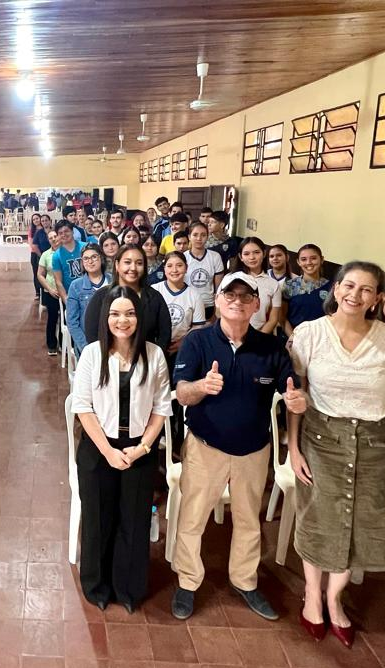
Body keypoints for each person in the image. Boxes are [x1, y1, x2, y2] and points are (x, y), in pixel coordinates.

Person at [170, 274, 307, 621]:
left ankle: (245, 581)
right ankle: (188, 581)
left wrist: (295, 399)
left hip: (253, 450)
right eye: (230, 295)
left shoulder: (271, 347)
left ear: (257, 306)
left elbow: (290, 389)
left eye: (247, 297)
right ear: (217, 301)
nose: (238, 301)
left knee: (249, 519)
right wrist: (203, 385)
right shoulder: (197, 342)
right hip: (205, 447)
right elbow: (182, 393)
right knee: (192, 518)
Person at [288, 261, 385, 649]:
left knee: (363, 517)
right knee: (319, 512)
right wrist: (293, 447)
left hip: (375, 441)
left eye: (367, 289)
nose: (355, 295)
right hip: (323, 437)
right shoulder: (310, 334)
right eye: (349, 286)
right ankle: (312, 594)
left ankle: (334, 596)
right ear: (336, 288)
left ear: (377, 298)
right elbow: (297, 396)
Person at [71, 286, 171, 613]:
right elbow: (83, 408)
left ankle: (128, 588)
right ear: (105, 317)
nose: (122, 320)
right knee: (99, 519)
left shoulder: (154, 355)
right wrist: (108, 452)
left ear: (139, 317)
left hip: (139, 451)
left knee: (134, 519)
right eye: (115, 313)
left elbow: (161, 408)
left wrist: (142, 448)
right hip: (99, 449)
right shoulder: (92, 355)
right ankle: (97, 586)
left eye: (129, 313)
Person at [83, 245, 172, 352]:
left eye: (139, 263)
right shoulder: (102, 296)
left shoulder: (154, 297)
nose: (133, 268)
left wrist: (153, 358)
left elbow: (165, 333)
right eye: (127, 262)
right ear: (117, 265)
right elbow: (92, 334)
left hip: (147, 359)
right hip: (108, 360)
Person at [152, 252, 201, 354]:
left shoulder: (195, 295)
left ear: (186, 268)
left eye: (179, 265)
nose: (174, 270)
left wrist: (182, 342)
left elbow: (197, 326)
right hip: (154, 346)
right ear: (164, 269)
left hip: (183, 346)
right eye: (169, 266)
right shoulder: (154, 290)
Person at [233, 237, 283, 335]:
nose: (252, 257)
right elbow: (220, 310)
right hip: (231, 335)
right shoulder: (231, 279)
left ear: (264, 254)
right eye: (246, 254)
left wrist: (258, 339)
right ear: (240, 257)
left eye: (256, 252)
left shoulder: (273, 284)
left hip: (259, 336)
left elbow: (273, 319)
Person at [66, 243, 109, 355]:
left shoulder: (114, 281)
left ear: (101, 258)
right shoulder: (76, 286)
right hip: (87, 344)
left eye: (94, 257)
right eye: (86, 258)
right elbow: (72, 322)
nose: (90, 261)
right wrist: (86, 348)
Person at [282, 244, 332, 337]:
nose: (309, 262)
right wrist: (293, 338)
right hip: (295, 338)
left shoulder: (331, 287)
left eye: (313, 258)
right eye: (304, 259)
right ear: (298, 262)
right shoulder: (290, 285)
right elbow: (282, 317)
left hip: (322, 339)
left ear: (322, 259)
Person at [184, 221, 225, 321]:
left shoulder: (215, 257)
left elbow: (218, 288)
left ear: (207, 236)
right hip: (187, 304)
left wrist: (217, 309)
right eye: (195, 235)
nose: (199, 238)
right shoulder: (183, 257)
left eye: (203, 235)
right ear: (189, 236)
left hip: (208, 305)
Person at [37, 229, 64, 357]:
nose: (54, 239)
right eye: (51, 238)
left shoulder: (66, 252)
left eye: (55, 236)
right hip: (51, 291)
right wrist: (50, 288)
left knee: (66, 318)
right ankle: (52, 345)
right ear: (48, 241)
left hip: (65, 291)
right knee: (52, 318)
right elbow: (40, 274)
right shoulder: (46, 255)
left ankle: (64, 343)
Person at [50, 220, 87, 300]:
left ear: (72, 231)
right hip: (72, 295)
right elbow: (58, 281)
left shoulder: (85, 247)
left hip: (89, 290)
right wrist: (66, 299)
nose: (64, 235)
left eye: (66, 231)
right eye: (60, 233)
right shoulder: (57, 255)